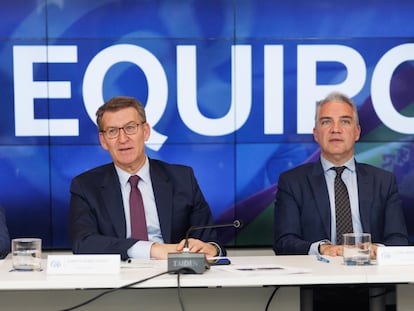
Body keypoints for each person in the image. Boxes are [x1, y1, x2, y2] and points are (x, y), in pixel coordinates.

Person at [273, 91, 408, 310]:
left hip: (373, 286)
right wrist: (323, 248)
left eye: (344, 121)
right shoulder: (292, 181)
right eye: (327, 122)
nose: (336, 129)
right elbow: (284, 242)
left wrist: (377, 249)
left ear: (356, 132)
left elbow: (399, 240)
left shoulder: (383, 181)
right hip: (316, 287)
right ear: (316, 134)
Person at [69, 96, 225, 261]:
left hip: (175, 275)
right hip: (117, 278)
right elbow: (83, 243)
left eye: (130, 128)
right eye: (112, 131)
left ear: (146, 131)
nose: (122, 139)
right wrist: (153, 249)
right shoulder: (85, 186)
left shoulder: (182, 179)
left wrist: (211, 249)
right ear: (103, 140)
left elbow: (209, 240)